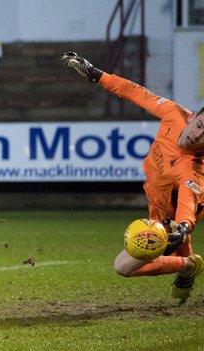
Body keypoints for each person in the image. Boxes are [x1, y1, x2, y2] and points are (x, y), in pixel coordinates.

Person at [62, 52, 204, 303]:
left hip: (170, 215)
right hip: (158, 201)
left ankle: (186, 264)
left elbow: (187, 204)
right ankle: (188, 266)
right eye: (200, 126)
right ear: (193, 117)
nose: (197, 135)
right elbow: (135, 92)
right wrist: (97, 74)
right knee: (181, 254)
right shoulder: (174, 113)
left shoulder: (192, 169)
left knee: (123, 266)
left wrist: (182, 227)